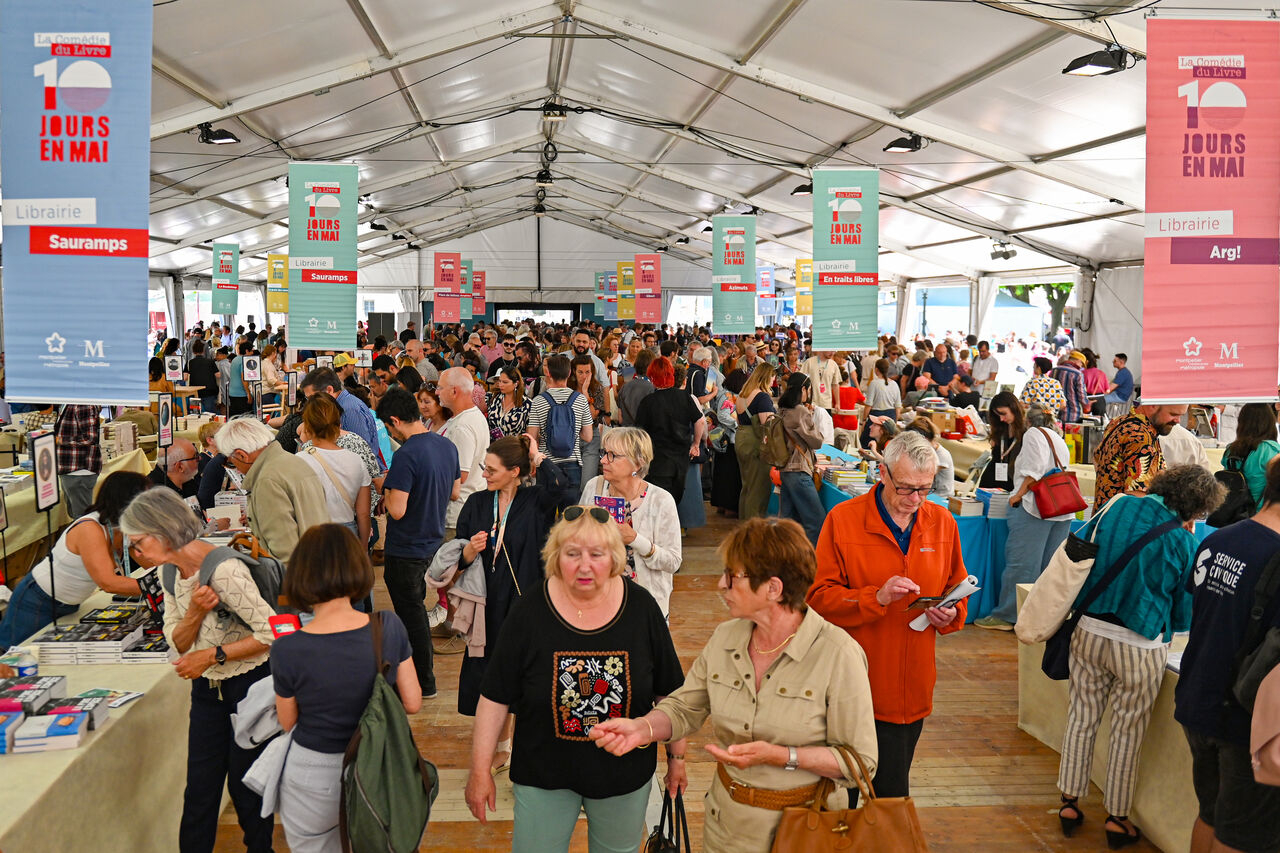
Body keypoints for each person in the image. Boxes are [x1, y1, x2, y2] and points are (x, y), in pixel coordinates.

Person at [589, 518, 879, 853]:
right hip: (725, 828)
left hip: (807, 830)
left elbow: (861, 762)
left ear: (773, 588)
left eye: (733, 576)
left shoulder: (837, 654)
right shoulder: (726, 638)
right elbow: (685, 707)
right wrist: (643, 728)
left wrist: (782, 756)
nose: (721, 584)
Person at [464, 507, 685, 852]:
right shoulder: (528, 611)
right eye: (572, 554)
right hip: (543, 774)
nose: (584, 565)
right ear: (555, 556)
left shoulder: (642, 608)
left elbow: (669, 694)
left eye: (596, 554)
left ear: (614, 557)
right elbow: (495, 697)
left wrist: (677, 760)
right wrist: (479, 772)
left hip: (623, 777)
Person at [1055, 466, 1224, 849]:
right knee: (1127, 731)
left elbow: (1081, 552)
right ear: (1198, 507)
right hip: (1141, 644)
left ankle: (1068, 801)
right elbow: (1182, 612)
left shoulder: (1117, 507)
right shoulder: (1184, 544)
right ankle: (1116, 817)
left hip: (1089, 628)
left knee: (1081, 715)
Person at [808, 431, 968, 798]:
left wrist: (951, 612)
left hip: (911, 690)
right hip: (854, 688)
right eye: (907, 488)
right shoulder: (843, 520)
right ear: (882, 473)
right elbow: (818, 599)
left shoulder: (943, 523)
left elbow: (958, 591)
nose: (915, 500)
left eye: (925, 490)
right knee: (844, 798)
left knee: (892, 796)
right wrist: (875, 597)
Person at [121, 488, 275, 853]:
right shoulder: (167, 573)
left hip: (250, 688)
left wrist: (211, 657)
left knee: (246, 788)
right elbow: (178, 642)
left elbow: (276, 630)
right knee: (200, 791)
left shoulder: (226, 570)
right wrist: (194, 612)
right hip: (208, 693)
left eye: (138, 543)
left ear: (161, 532)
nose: (135, 553)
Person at [272, 525, 421, 853]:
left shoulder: (286, 648)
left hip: (312, 772)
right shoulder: (386, 627)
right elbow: (412, 702)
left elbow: (286, 722)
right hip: (378, 764)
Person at [1175, 461, 1280, 853]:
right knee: (1243, 837)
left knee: (1211, 814)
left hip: (1198, 698)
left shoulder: (1219, 539)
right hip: (1248, 720)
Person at [452, 435, 564, 743]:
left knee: (519, 667)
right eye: (484, 468)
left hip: (522, 598)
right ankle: (496, 737)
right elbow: (456, 552)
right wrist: (469, 553)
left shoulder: (535, 501)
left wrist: (537, 457)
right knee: (485, 668)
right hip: (484, 600)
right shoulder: (477, 502)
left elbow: (562, 487)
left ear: (515, 471)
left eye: (491, 470)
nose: (484, 475)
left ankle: (508, 739)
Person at [375, 387, 461, 701]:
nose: (388, 430)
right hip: (432, 540)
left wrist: (386, 490)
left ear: (395, 420)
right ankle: (419, 678)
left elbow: (396, 509)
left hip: (407, 546)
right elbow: (454, 492)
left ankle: (424, 682)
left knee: (411, 616)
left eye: (388, 425)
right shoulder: (445, 445)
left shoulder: (406, 454)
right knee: (416, 607)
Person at [0, 472, 150, 646]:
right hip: (37, 603)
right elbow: (108, 583)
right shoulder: (90, 528)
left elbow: (152, 561)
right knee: (14, 658)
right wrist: (155, 587)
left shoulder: (123, 527)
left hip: (68, 605)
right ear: (127, 501)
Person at [977, 408, 1075, 630]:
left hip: (1034, 508)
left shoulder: (1033, 435)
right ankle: (1037, 619)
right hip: (1059, 509)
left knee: (1022, 565)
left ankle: (1007, 616)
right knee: (1047, 569)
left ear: (1027, 421)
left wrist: (1018, 495)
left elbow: (1034, 471)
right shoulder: (1057, 436)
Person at [579, 427, 682, 618]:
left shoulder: (660, 500)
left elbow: (673, 562)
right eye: (604, 453)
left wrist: (635, 539)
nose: (603, 460)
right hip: (598, 602)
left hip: (645, 608)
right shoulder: (595, 487)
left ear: (638, 463)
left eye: (612, 456)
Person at [218, 417, 328, 566]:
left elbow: (283, 552)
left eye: (231, 462)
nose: (235, 468)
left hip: (298, 578)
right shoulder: (294, 461)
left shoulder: (267, 481)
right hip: (320, 564)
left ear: (242, 455)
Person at [295, 394, 372, 546]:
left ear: (307, 427)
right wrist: (362, 549)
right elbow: (363, 514)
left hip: (312, 534)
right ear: (339, 424)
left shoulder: (300, 461)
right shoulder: (356, 461)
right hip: (348, 535)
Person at [526, 354, 593, 512]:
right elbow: (588, 436)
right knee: (570, 516)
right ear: (570, 373)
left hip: (546, 463)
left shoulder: (538, 401)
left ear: (548, 373)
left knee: (544, 515)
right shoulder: (580, 400)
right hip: (573, 463)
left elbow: (532, 437)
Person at [634, 357, 704, 506]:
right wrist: (696, 444)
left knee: (657, 504)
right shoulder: (685, 397)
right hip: (681, 461)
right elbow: (700, 421)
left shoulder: (648, 402)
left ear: (652, 377)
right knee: (673, 503)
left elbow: (638, 435)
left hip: (657, 462)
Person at [1092, 403, 1187, 506]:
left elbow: (1097, 459)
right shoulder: (1141, 436)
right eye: (1173, 414)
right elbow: (1138, 497)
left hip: (1105, 515)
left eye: (1181, 415)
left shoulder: (1118, 421)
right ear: (1153, 405)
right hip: (1125, 519)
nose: (1178, 421)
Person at [437, 367, 491, 534]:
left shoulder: (462, 426)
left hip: (456, 516)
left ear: (454, 391)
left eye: (440, 387)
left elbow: (461, 474)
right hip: (464, 510)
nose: (437, 392)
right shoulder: (467, 417)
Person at [774, 374, 826, 545]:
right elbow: (817, 441)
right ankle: (809, 561)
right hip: (798, 470)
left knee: (788, 521)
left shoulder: (781, 409)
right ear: (803, 389)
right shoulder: (800, 411)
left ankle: (783, 558)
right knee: (816, 522)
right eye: (808, 389)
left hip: (785, 468)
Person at [734, 362, 778, 520]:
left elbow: (739, 420)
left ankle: (744, 526)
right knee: (758, 489)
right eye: (773, 376)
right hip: (755, 443)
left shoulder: (743, 394)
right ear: (766, 377)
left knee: (746, 486)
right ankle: (753, 529)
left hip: (741, 439)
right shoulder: (762, 397)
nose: (774, 380)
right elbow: (768, 425)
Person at [1222, 402, 1280, 512]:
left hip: (1234, 513)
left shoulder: (1230, 450)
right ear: (1269, 422)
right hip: (1262, 513)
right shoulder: (1272, 450)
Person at [53, 404, 102, 519]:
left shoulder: (82, 404)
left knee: (83, 518)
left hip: (79, 469)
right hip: (70, 468)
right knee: (77, 516)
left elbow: (90, 437)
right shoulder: (67, 404)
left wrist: (59, 440)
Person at [571, 354, 608, 484]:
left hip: (591, 437)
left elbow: (592, 415)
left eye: (587, 372)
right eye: (580, 372)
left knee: (587, 482)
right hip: (571, 437)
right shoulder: (568, 388)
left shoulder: (596, 388)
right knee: (572, 482)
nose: (584, 376)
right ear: (573, 372)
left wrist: (585, 392)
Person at [979, 391, 1024, 491]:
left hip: (1012, 484)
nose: (1001, 419)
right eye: (998, 415)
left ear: (1013, 408)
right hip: (991, 482)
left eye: (1003, 414)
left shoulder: (1027, 432)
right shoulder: (1001, 428)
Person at [859, 357, 902, 450]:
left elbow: (868, 405)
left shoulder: (874, 383)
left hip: (876, 415)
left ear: (876, 369)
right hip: (891, 415)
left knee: (866, 441)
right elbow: (898, 406)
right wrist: (895, 421)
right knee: (886, 443)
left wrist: (864, 421)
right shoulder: (894, 384)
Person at [486, 365, 531, 440]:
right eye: (499, 381)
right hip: (494, 447)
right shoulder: (491, 397)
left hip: (515, 448)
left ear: (516, 383)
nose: (500, 385)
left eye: (505, 382)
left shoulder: (527, 404)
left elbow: (529, 434)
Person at [616, 349, 656, 426]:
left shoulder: (625, 386)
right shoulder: (652, 388)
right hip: (644, 433)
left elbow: (620, 419)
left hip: (626, 432)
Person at [1050, 351, 1089, 424]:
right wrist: (1087, 403)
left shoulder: (1055, 370)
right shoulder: (1078, 374)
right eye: (1081, 364)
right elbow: (1081, 396)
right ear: (1078, 360)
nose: (1081, 366)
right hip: (1072, 414)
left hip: (1055, 412)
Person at [187, 340, 220, 414]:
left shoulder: (190, 363)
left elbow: (185, 377)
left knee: (195, 414)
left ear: (193, 351)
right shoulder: (210, 362)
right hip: (209, 390)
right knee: (210, 414)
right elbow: (218, 375)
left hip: (194, 391)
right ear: (203, 351)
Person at [227, 342, 253, 416]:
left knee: (234, 417)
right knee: (243, 418)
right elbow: (243, 378)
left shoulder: (235, 359)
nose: (252, 353)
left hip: (232, 392)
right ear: (246, 351)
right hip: (241, 393)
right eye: (251, 351)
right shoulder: (244, 361)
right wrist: (248, 394)